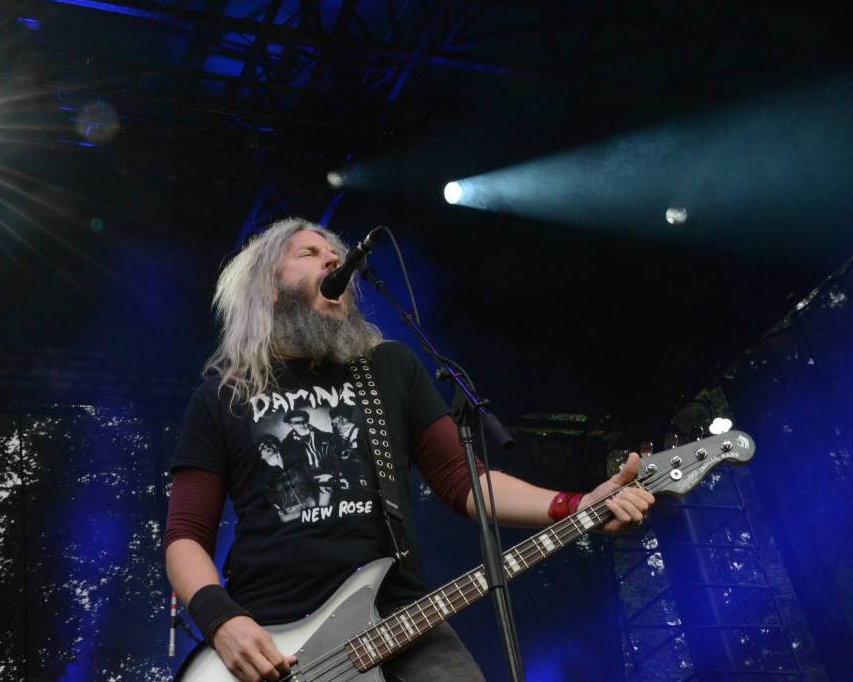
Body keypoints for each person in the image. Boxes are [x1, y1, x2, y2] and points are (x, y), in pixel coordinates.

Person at [164, 218, 654, 682]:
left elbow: (466, 483)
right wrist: (222, 621)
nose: (334, 262)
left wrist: (575, 505)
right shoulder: (223, 396)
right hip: (271, 632)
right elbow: (185, 536)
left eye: (337, 255)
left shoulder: (388, 367)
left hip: (398, 614)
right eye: (310, 253)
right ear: (268, 286)